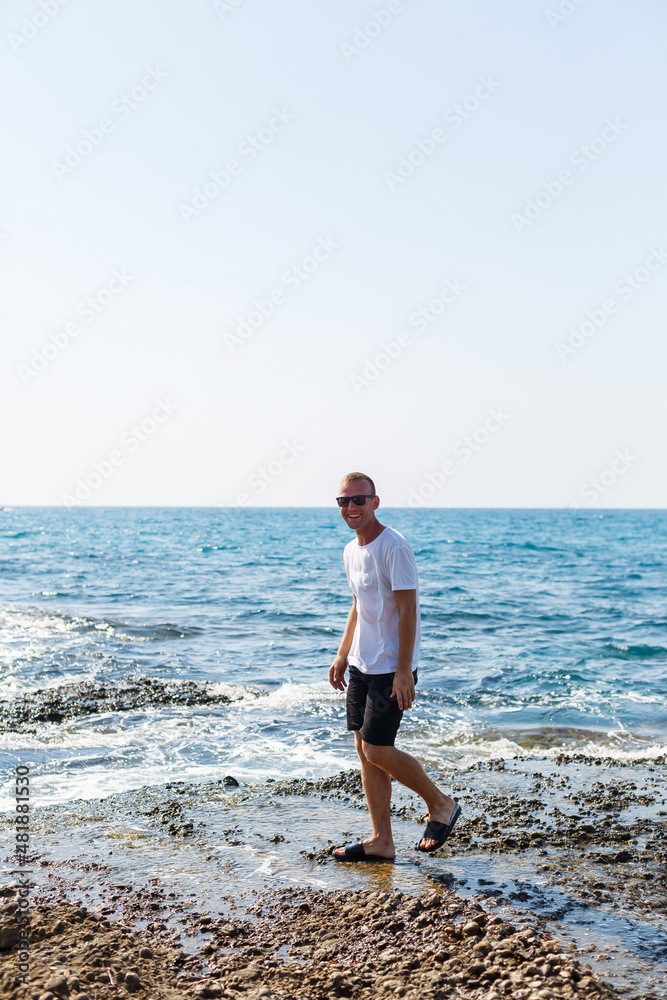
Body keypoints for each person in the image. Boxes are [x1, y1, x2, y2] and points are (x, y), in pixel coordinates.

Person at [329, 472, 460, 861]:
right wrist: (341, 653)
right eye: (343, 501)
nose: (350, 508)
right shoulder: (351, 551)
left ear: (375, 501)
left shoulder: (394, 546)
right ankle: (381, 841)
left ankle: (441, 804)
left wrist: (405, 670)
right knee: (363, 748)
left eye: (358, 500)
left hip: (390, 667)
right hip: (360, 664)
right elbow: (358, 606)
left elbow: (408, 610)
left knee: (377, 748)